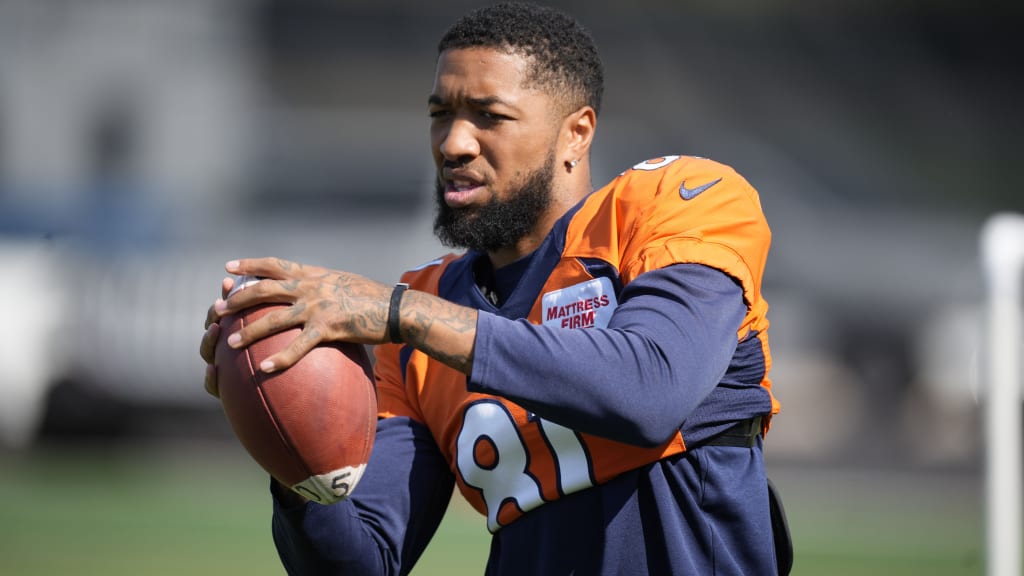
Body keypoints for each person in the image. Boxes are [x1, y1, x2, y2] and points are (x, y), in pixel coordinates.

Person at [200, 2, 789, 574]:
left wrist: (408, 315)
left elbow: (650, 390)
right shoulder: (422, 316)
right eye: (440, 114)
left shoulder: (677, 202)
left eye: (489, 115)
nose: (453, 143)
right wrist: (291, 445)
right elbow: (366, 560)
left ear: (576, 134)